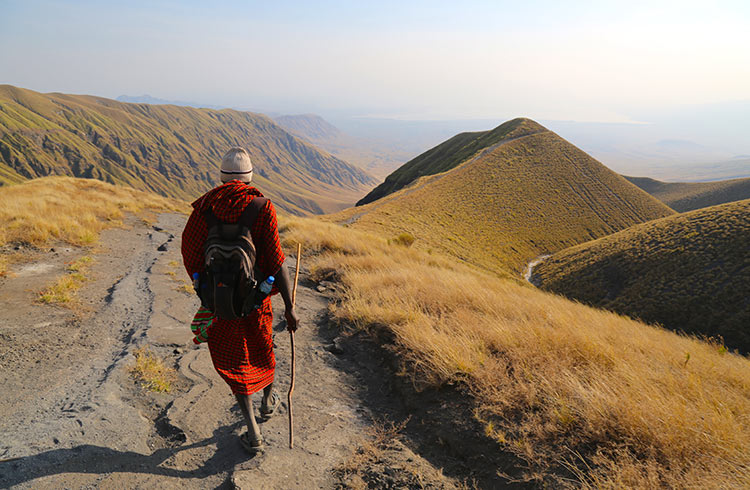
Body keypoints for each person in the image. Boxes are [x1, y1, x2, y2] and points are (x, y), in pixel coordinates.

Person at [181, 146, 299, 454]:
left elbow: (190, 255)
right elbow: (276, 262)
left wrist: (208, 291)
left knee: (235, 360)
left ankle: (252, 430)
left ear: (221, 177)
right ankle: (268, 401)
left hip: (220, 304)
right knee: (262, 348)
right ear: (249, 177)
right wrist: (289, 307)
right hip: (257, 300)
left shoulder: (203, 209)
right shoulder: (261, 207)